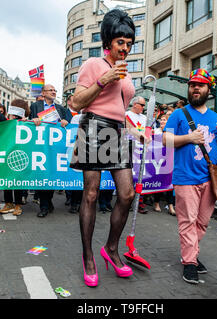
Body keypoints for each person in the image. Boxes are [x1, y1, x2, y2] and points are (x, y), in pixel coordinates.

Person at [71, 9, 146, 287]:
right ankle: (88, 256)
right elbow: (76, 103)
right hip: (92, 128)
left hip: (116, 132)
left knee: (126, 194)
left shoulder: (128, 78)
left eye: (129, 43)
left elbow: (118, 111)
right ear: (109, 41)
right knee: (90, 195)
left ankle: (111, 248)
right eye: (120, 42)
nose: (125, 48)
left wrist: (133, 131)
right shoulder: (93, 64)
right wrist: (105, 79)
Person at [163, 68, 217, 284]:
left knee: (202, 222)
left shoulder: (216, 117)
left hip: (209, 177)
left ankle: (190, 253)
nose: (195, 88)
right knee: (187, 221)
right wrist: (188, 137)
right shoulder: (179, 114)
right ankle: (190, 262)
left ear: (207, 89)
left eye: (200, 85)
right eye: (192, 84)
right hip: (185, 177)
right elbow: (165, 140)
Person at [30, 84, 72, 218]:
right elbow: (28, 122)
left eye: (55, 90)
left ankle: (47, 202)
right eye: (51, 90)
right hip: (41, 146)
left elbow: (70, 121)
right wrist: (33, 120)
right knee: (42, 175)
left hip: (55, 148)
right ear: (43, 93)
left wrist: (66, 120)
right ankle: (44, 205)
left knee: (52, 176)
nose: (54, 92)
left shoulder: (60, 108)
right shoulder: (35, 106)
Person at [0, 100, 30, 216]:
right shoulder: (7, 121)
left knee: (17, 179)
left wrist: (26, 122)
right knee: (7, 179)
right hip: (7, 152)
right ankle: (8, 203)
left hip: (20, 153)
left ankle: (18, 204)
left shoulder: (26, 122)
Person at [126, 96, 148, 214]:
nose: (143, 108)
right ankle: (127, 201)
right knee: (129, 175)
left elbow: (148, 131)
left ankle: (139, 201)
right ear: (135, 104)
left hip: (142, 148)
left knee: (141, 175)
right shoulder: (126, 115)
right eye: (142, 105)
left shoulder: (145, 118)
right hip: (129, 148)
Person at [153, 114, 176, 215]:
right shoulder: (156, 132)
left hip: (169, 161)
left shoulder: (171, 132)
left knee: (169, 183)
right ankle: (156, 203)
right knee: (159, 182)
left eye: (164, 120)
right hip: (157, 161)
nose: (162, 122)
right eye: (161, 120)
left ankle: (170, 205)